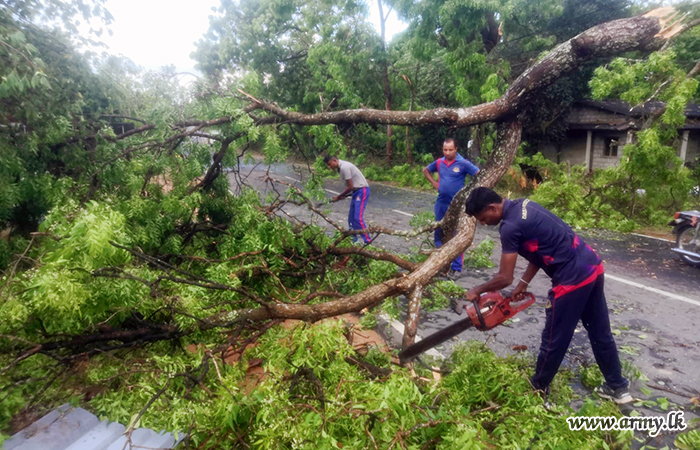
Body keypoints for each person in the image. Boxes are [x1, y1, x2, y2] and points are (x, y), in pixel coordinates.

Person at [463, 187, 631, 404]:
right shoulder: (525, 205)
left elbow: (504, 278)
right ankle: (617, 388)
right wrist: (524, 284)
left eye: (483, 218)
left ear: (492, 208)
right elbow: (539, 251)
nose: (484, 223)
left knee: (554, 338)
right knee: (600, 332)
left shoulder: (509, 227)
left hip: (572, 279)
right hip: (592, 266)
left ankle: (538, 390)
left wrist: (477, 290)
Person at [422, 138, 480, 278]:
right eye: (445, 150)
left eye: (450, 150)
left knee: (455, 235)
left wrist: (469, 191)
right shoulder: (440, 162)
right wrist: (436, 184)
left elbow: (478, 174)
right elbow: (426, 170)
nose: (447, 152)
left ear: (456, 149)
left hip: (457, 205)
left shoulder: (463, 163)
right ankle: (439, 263)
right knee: (439, 231)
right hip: (441, 202)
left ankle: (456, 267)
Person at [324, 155, 372, 244]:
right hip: (356, 191)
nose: (329, 167)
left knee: (357, 218)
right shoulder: (340, 168)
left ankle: (367, 240)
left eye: (330, 164)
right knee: (351, 218)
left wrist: (339, 196)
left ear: (334, 161)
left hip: (362, 191)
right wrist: (344, 195)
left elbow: (350, 186)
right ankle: (352, 240)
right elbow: (351, 187)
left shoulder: (344, 167)